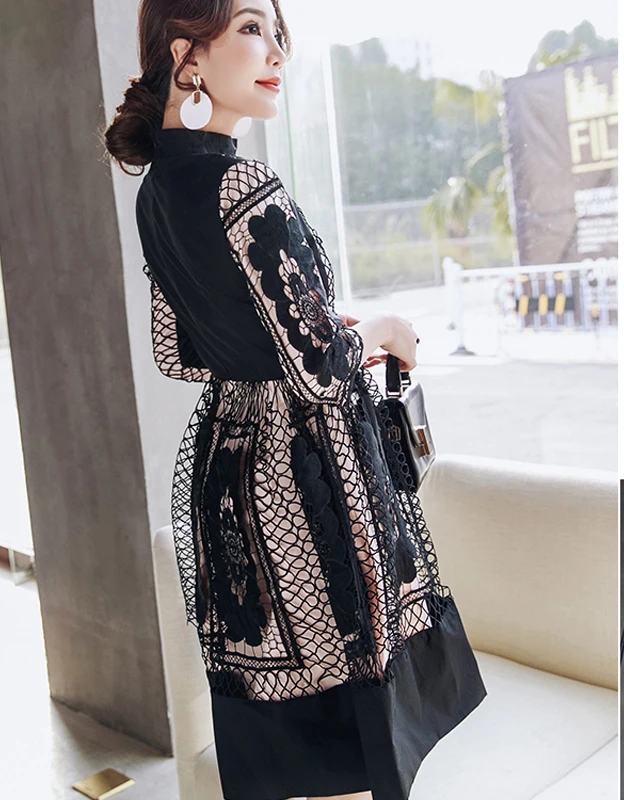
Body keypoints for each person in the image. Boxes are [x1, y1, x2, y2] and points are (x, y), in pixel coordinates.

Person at [103, 2, 487, 799]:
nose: (277, 51)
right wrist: (380, 328)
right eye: (251, 28)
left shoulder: (155, 193)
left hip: (230, 467)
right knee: (354, 708)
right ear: (187, 55)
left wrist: (297, 331)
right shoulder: (243, 183)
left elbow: (180, 354)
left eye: (278, 32)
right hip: (308, 473)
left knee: (288, 706)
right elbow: (321, 373)